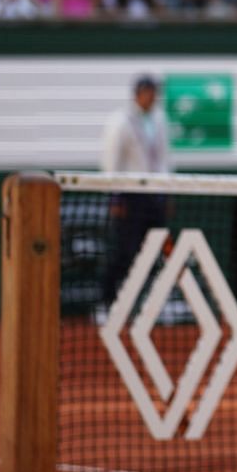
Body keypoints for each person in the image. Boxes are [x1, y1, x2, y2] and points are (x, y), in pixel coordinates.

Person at [97, 75, 177, 323]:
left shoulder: (160, 120)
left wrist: (167, 191)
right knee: (124, 252)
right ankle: (107, 303)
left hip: (155, 196)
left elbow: (164, 158)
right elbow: (112, 160)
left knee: (157, 250)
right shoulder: (120, 122)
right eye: (148, 93)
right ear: (137, 94)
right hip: (130, 196)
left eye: (154, 93)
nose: (152, 98)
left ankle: (153, 305)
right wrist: (116, 195)